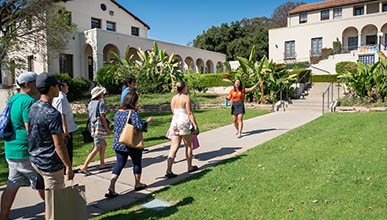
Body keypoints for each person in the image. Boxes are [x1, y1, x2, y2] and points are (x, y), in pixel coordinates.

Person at [28, 72, 74, 220]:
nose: (59, 89)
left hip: (36, 160)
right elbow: (59, 145)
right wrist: (68, 166)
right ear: (52, 88)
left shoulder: (33, 107)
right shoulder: (52, 113)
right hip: (50, 165)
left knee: (49, 202)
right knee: (55, 205)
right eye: (57, 87)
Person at [0, 72, 45, 220]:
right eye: (35, 82)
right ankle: (58, 211)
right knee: (43, 183)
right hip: (25, 151)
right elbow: (30, 129)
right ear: (27, 84)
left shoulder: (13, 99)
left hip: (11, 150)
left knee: (11, 186)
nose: (38, 86)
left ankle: (3, 217)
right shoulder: (27, 101)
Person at [105, 92, 153, 198]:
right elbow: (140, 127)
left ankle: (111, 187)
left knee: (119, 164)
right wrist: (148, 121)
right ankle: (137, 183)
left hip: (119, 142)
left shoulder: (118, 112)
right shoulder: (133, 113)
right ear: (134, 101)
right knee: (137, 163)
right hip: (131, 143)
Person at [165, 81, 199, 178]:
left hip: (175, 121)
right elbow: (189, 113)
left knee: (174, 146)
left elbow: (173, 111)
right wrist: (195, 125)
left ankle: (169, 169)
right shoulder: (186, 98)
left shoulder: (174, 98)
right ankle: (189, 166)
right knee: (188, 145)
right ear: (184, 88)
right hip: (184, 121)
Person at [80, 86, 112, 175]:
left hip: (92, 127)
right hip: (98, 128)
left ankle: (102, 163)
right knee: (97, 147)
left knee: (103, 144)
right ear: (99, 94)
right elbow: (102, 117)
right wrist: (107, 129)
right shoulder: (100, 104)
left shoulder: (90, 104)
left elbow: (89, 116)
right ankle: (84, 166)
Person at [52, 81, 78, 166]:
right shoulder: (61, 98)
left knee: (67, 148)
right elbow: (62, 113)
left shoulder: (62, 97)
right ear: (61, 87)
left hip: (68, 127)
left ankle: (67, 166)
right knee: (67, 149)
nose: (68, 87)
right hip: (66, 128)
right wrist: (65, 130)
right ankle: (66, 167)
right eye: (66, 86)